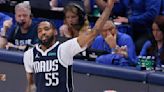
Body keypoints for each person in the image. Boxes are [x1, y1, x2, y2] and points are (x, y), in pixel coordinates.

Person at [23, 0, 115, 92]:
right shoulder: (29, 54)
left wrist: (109, 7)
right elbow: (31, 85)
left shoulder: (64, 49)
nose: (43, 32)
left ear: (55, 32)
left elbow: (93, 32)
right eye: (39, 30)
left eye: (46, 29)